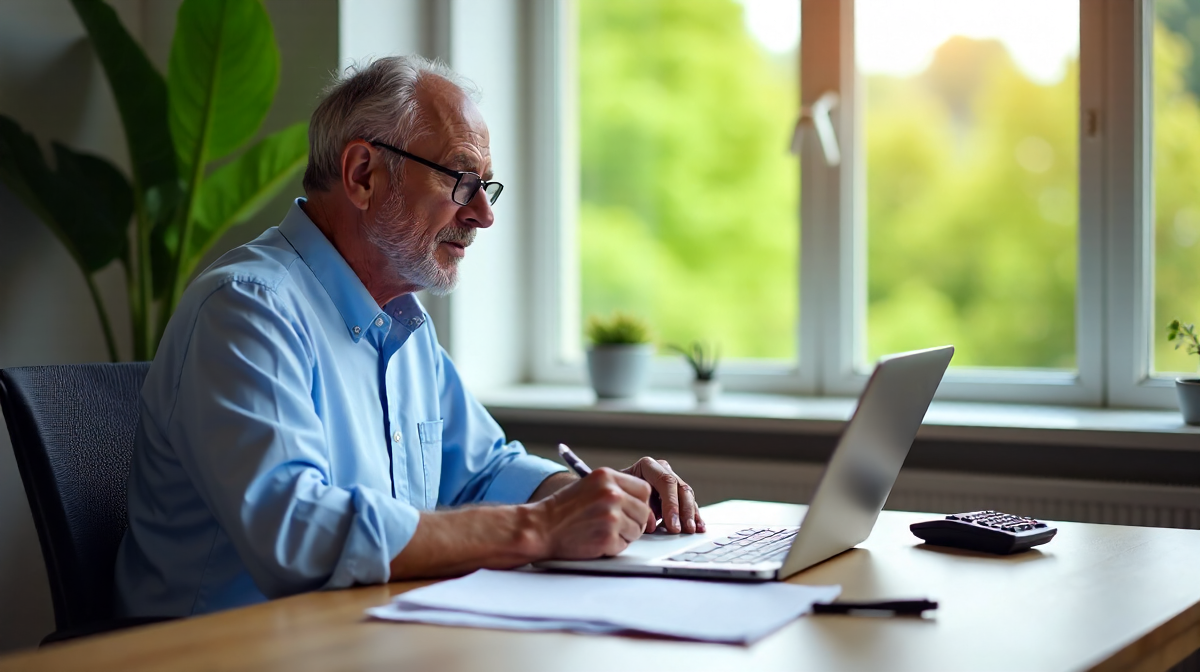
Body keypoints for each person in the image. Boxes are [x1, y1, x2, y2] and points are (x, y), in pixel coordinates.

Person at [114, 55, 704, 618]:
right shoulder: (246, 309)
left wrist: (604, 497)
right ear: (363, 174)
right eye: (460, 178)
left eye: (486, 186)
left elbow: (482, 472)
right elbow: (296, 535)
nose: (482, 215)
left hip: (365, 638)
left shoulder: (402, 323)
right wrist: (542, 528)